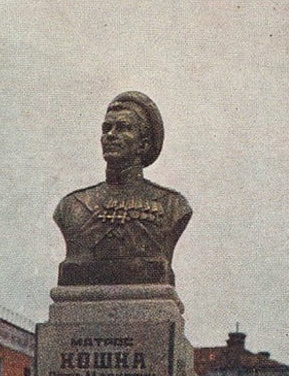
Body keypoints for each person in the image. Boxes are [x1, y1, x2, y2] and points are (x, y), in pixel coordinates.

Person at [54, 91, 192, 286]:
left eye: (123, 128)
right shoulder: (71, 206)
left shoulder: (172, 205)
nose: (111, 135)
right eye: (106, 128)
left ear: (143, 144)